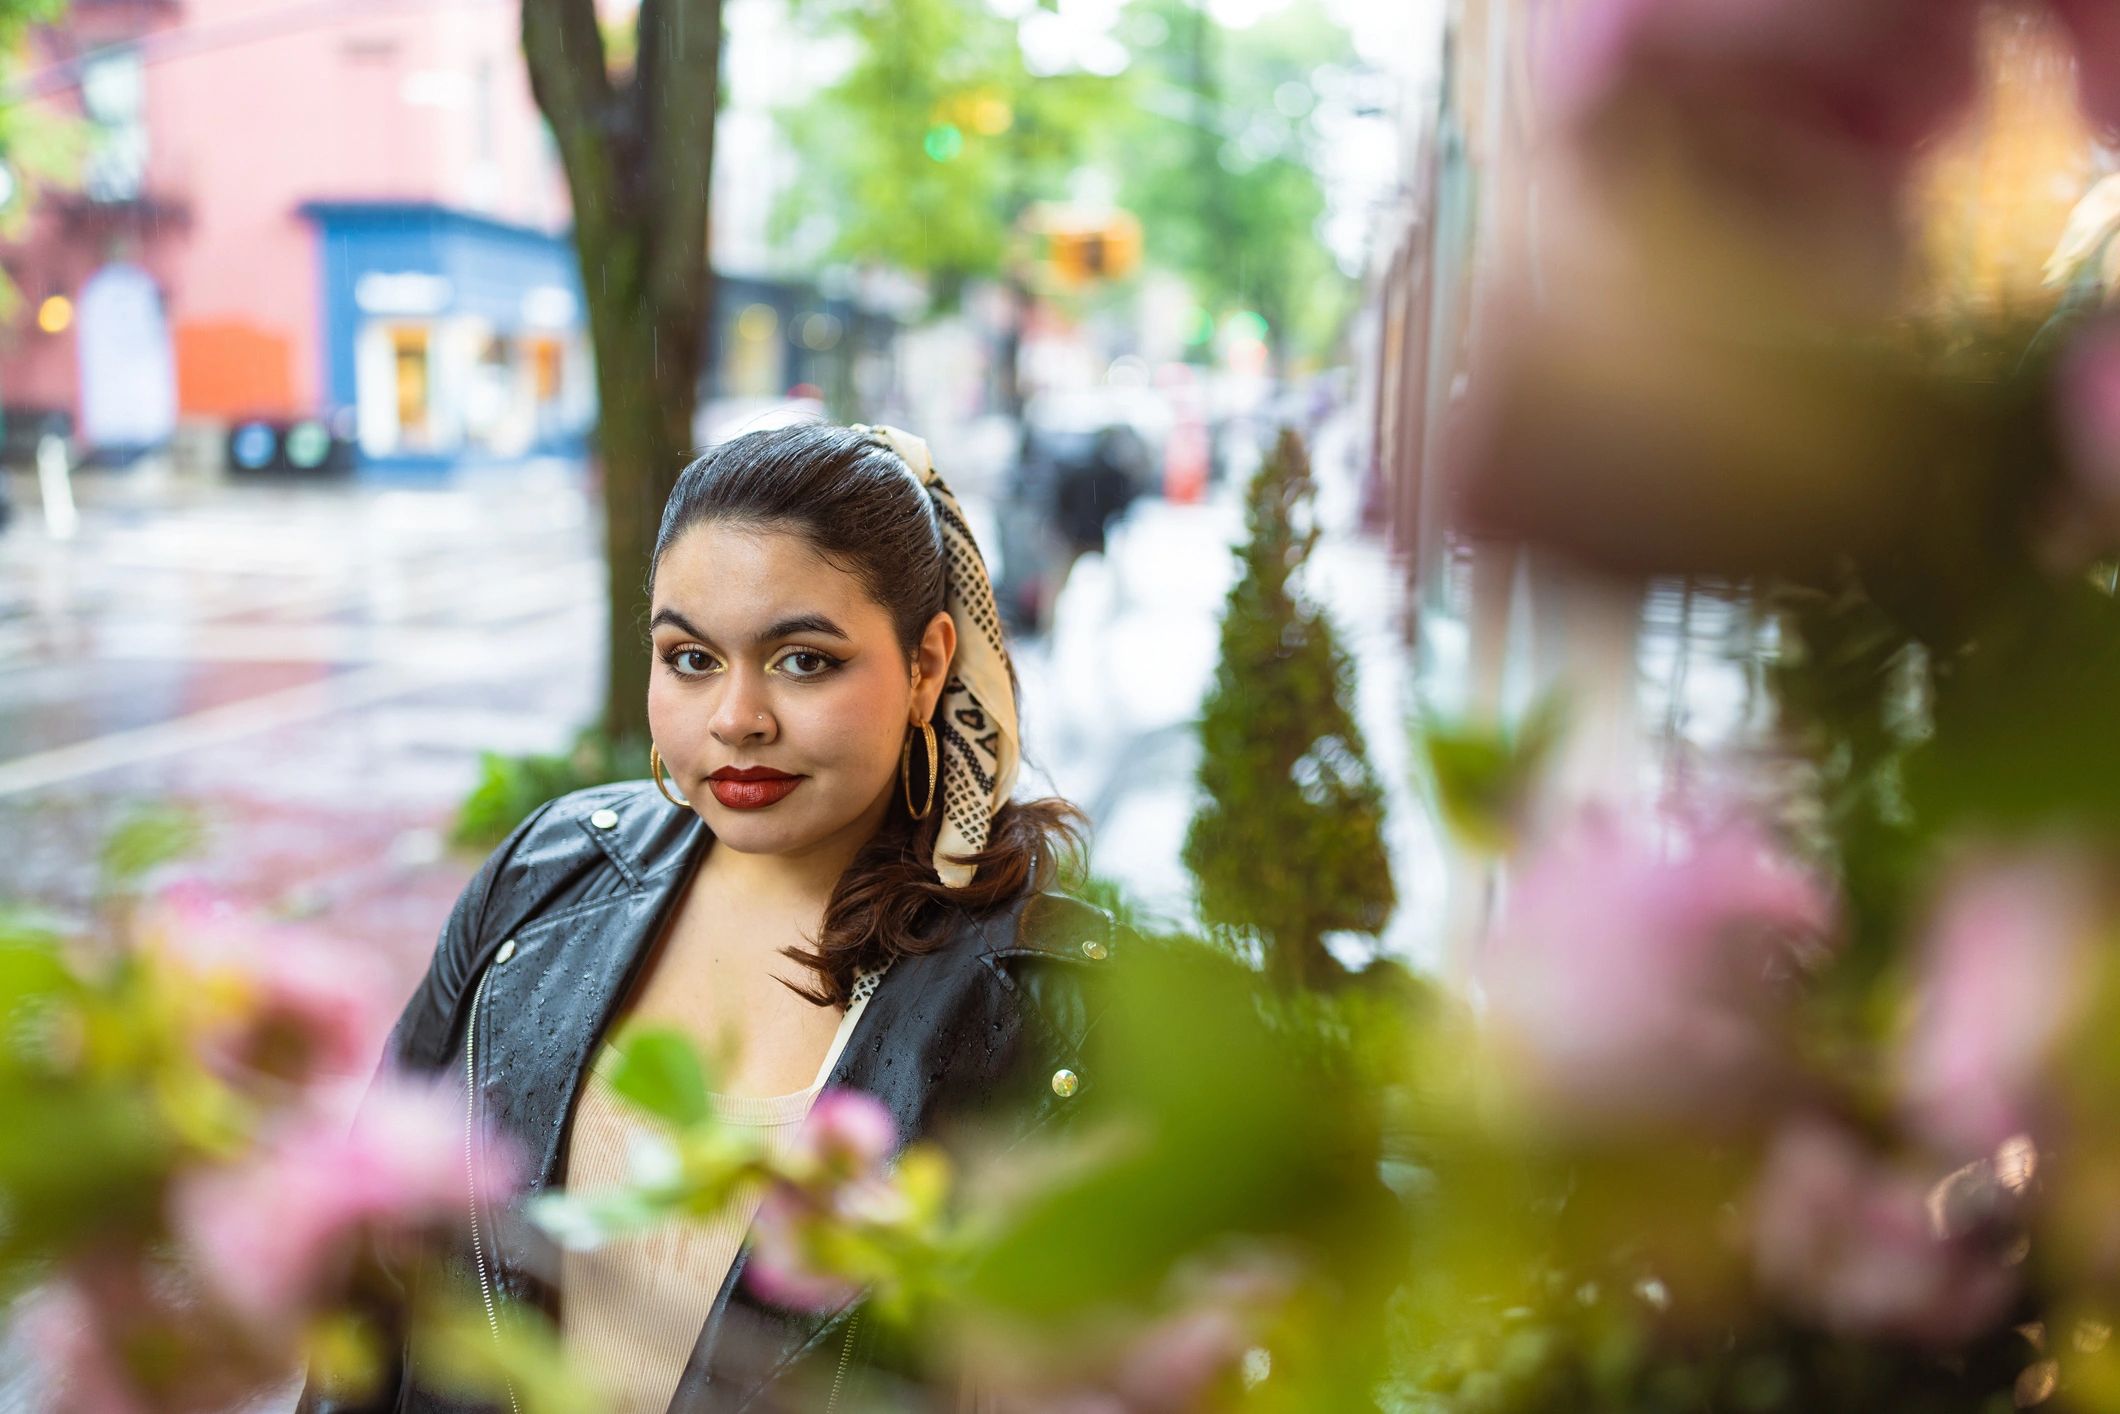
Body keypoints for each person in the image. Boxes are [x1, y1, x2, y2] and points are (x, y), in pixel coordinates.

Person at [300, 422, 1120, 1413]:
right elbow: (374, 1266)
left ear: (924, 664)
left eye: (803, 661)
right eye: (689, 658)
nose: (737, 716)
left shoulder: (1042, 1002)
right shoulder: (550, 875)